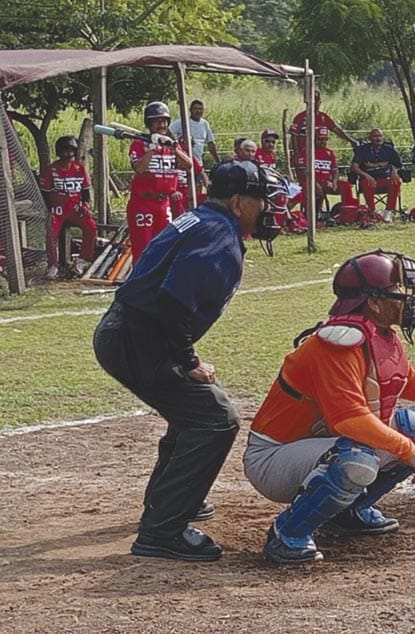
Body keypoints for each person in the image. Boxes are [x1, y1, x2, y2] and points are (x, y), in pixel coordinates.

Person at [93, 159, 289, 562]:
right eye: (261, 200)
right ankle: (162, 530)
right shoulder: (218, 231)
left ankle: (167, 502)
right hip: (138, 338)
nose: (267, 208)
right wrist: (188, 360)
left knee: (198, 410)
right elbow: (172, 298)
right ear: (238, 202)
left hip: (132, 333)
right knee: (216, 419)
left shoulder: (204, 219)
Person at [243, 249, 415, 564]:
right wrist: (403, 449)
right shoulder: (337, 346)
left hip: (316, 445)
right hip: (274, 455)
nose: (407, 301)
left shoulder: (377, 334)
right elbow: (349, 418)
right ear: (374, 301)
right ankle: (287, 534)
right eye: (398, 293)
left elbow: (403, 379)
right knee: (358, 458)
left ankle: (347, 513)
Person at [126, 101, 193, 262]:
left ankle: (157, 283)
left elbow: (188, 165)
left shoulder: (170, 145)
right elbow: (139, 168)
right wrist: (152, 149)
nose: (162, 125)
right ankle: (140, 284)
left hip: (163, 204)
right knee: (143, 249)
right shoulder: (139, 144)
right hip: (143, 203)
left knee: (163, 247)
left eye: (164, 121)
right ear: (149, 123)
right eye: (157, 121)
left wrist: (174, 148)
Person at [39, 135, 97, 279]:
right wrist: (49, 210)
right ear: (59, 152)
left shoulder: (79, 168)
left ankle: (81, 260)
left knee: (91, 226)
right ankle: (53, 265)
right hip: (57, 208)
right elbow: (45, 193)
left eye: (71, 151)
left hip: (75, 207)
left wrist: (85, 205)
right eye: (65, 151)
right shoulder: (51, 170)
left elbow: (85, 191)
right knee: (51, 232)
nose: (68, 154)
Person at [295, 127, 356, 217]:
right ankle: (312, 214)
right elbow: (303, 172)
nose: (323, 142)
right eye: (320, 139)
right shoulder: (306, 152)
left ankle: (348, 214)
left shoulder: (329, 153)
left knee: (345, 186)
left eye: (325, 139)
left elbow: (335, 170)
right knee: (309, 188)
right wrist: (315, 184)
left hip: (326, 182)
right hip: (310, 182)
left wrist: (334, 182)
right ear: (314, 139)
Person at [289, 89, 358, 161]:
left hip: (320, 156)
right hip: (304, 155)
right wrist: (297, 155)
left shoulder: (324, 117)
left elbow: (336, 129)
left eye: (316, 101)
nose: (314, 103)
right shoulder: (300, 117)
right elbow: (294, 137)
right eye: (312, 101)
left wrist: (351, 140)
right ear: (307, 102)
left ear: (320, 102)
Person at [350, 128, 403, 217]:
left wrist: (394, 170)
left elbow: (398, 164)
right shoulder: (362, 150)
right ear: (370, 138)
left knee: (396, 181)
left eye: (380, 136)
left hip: (385, 178)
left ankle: (389, 212)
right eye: (375, 136)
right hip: (369, 179)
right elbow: (354, 167)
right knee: (367, 183)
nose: (378, 139)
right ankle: (372, 212)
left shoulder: (389, 149)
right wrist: (366, 175)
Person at [169, 99, 221, 164]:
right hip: (184, 161)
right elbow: (168, 132)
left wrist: (218, 161)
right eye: (195, 109)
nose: (198, 111)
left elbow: (211, 143)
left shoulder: (205, 124)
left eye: (200, 109)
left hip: (198, 162)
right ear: (190, 110)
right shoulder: (182, 122)